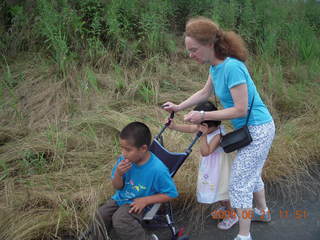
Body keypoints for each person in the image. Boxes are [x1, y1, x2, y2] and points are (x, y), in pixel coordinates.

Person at [162, 17, 275, 240]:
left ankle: (244, 236)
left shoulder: (232, 67)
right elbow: (204, 93)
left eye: (193, 49)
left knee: (239, 184)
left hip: (259, 129)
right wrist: (179, 106)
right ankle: (262, 212)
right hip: (251, 130)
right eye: (188, 50)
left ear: (209, 45)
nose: (190, 54)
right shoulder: (215, 67)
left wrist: (202, 115)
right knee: (251, 174)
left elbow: (240, 109)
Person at [89, 122, 178, 240]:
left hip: (142, 203)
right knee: (100, 215)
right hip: (121, 197)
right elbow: (118, 187)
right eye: (122, 148)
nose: (123, 153)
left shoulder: (158, 169)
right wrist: (118, 174)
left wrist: (145, 200)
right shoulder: (124, 160)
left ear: (143, 148)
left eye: (127, 149)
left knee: (120, 219)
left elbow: (172, 194)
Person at [168, 101, 238, 230]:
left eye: (198, 125)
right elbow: (190, 128)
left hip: (219, 170)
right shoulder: (208, 127)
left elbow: (205, 152)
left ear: (205, 125)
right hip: (211, 169)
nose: (196, 127)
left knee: (223, 192)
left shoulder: (218, 135)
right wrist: (174, 126)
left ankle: (232, 214)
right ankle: (224, 208)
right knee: (215, 190)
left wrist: (203, 135)